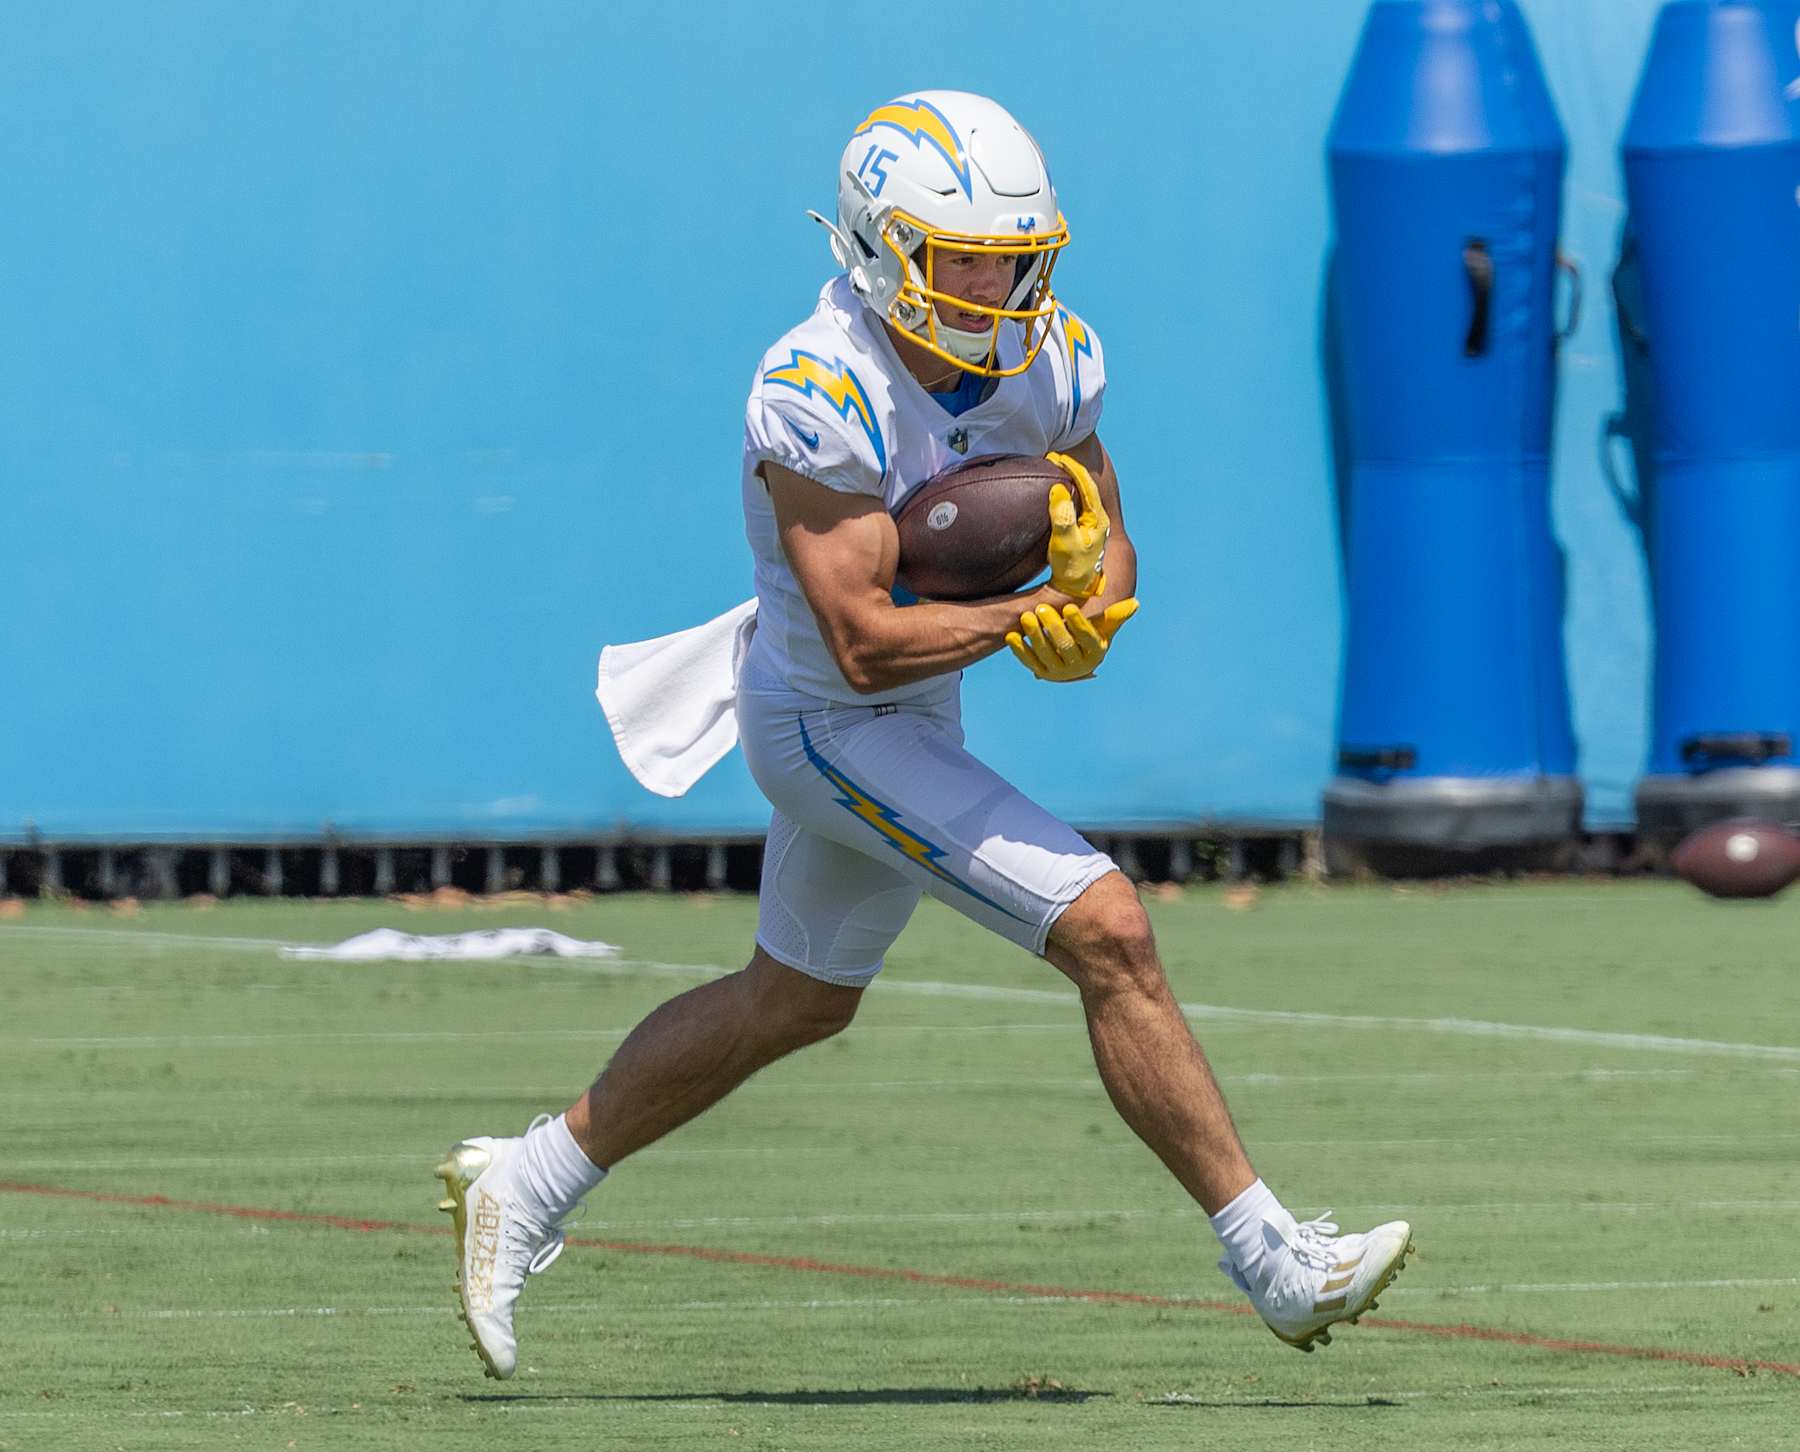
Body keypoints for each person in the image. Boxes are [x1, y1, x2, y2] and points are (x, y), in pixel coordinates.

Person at [435, 90, 1411, 1381]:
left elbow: (1100, 509)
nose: (998, 288)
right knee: (1108, 927)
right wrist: (1023, 618)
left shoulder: (1045, 350)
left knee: (793, 1000)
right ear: (878, 248)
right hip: (831, 723)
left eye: (1018, 258)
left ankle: (531, 1173)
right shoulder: (817, 385)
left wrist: (1097, 599)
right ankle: (1273, 1257)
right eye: (966, 260)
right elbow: (859, 638)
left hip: (910, 713)